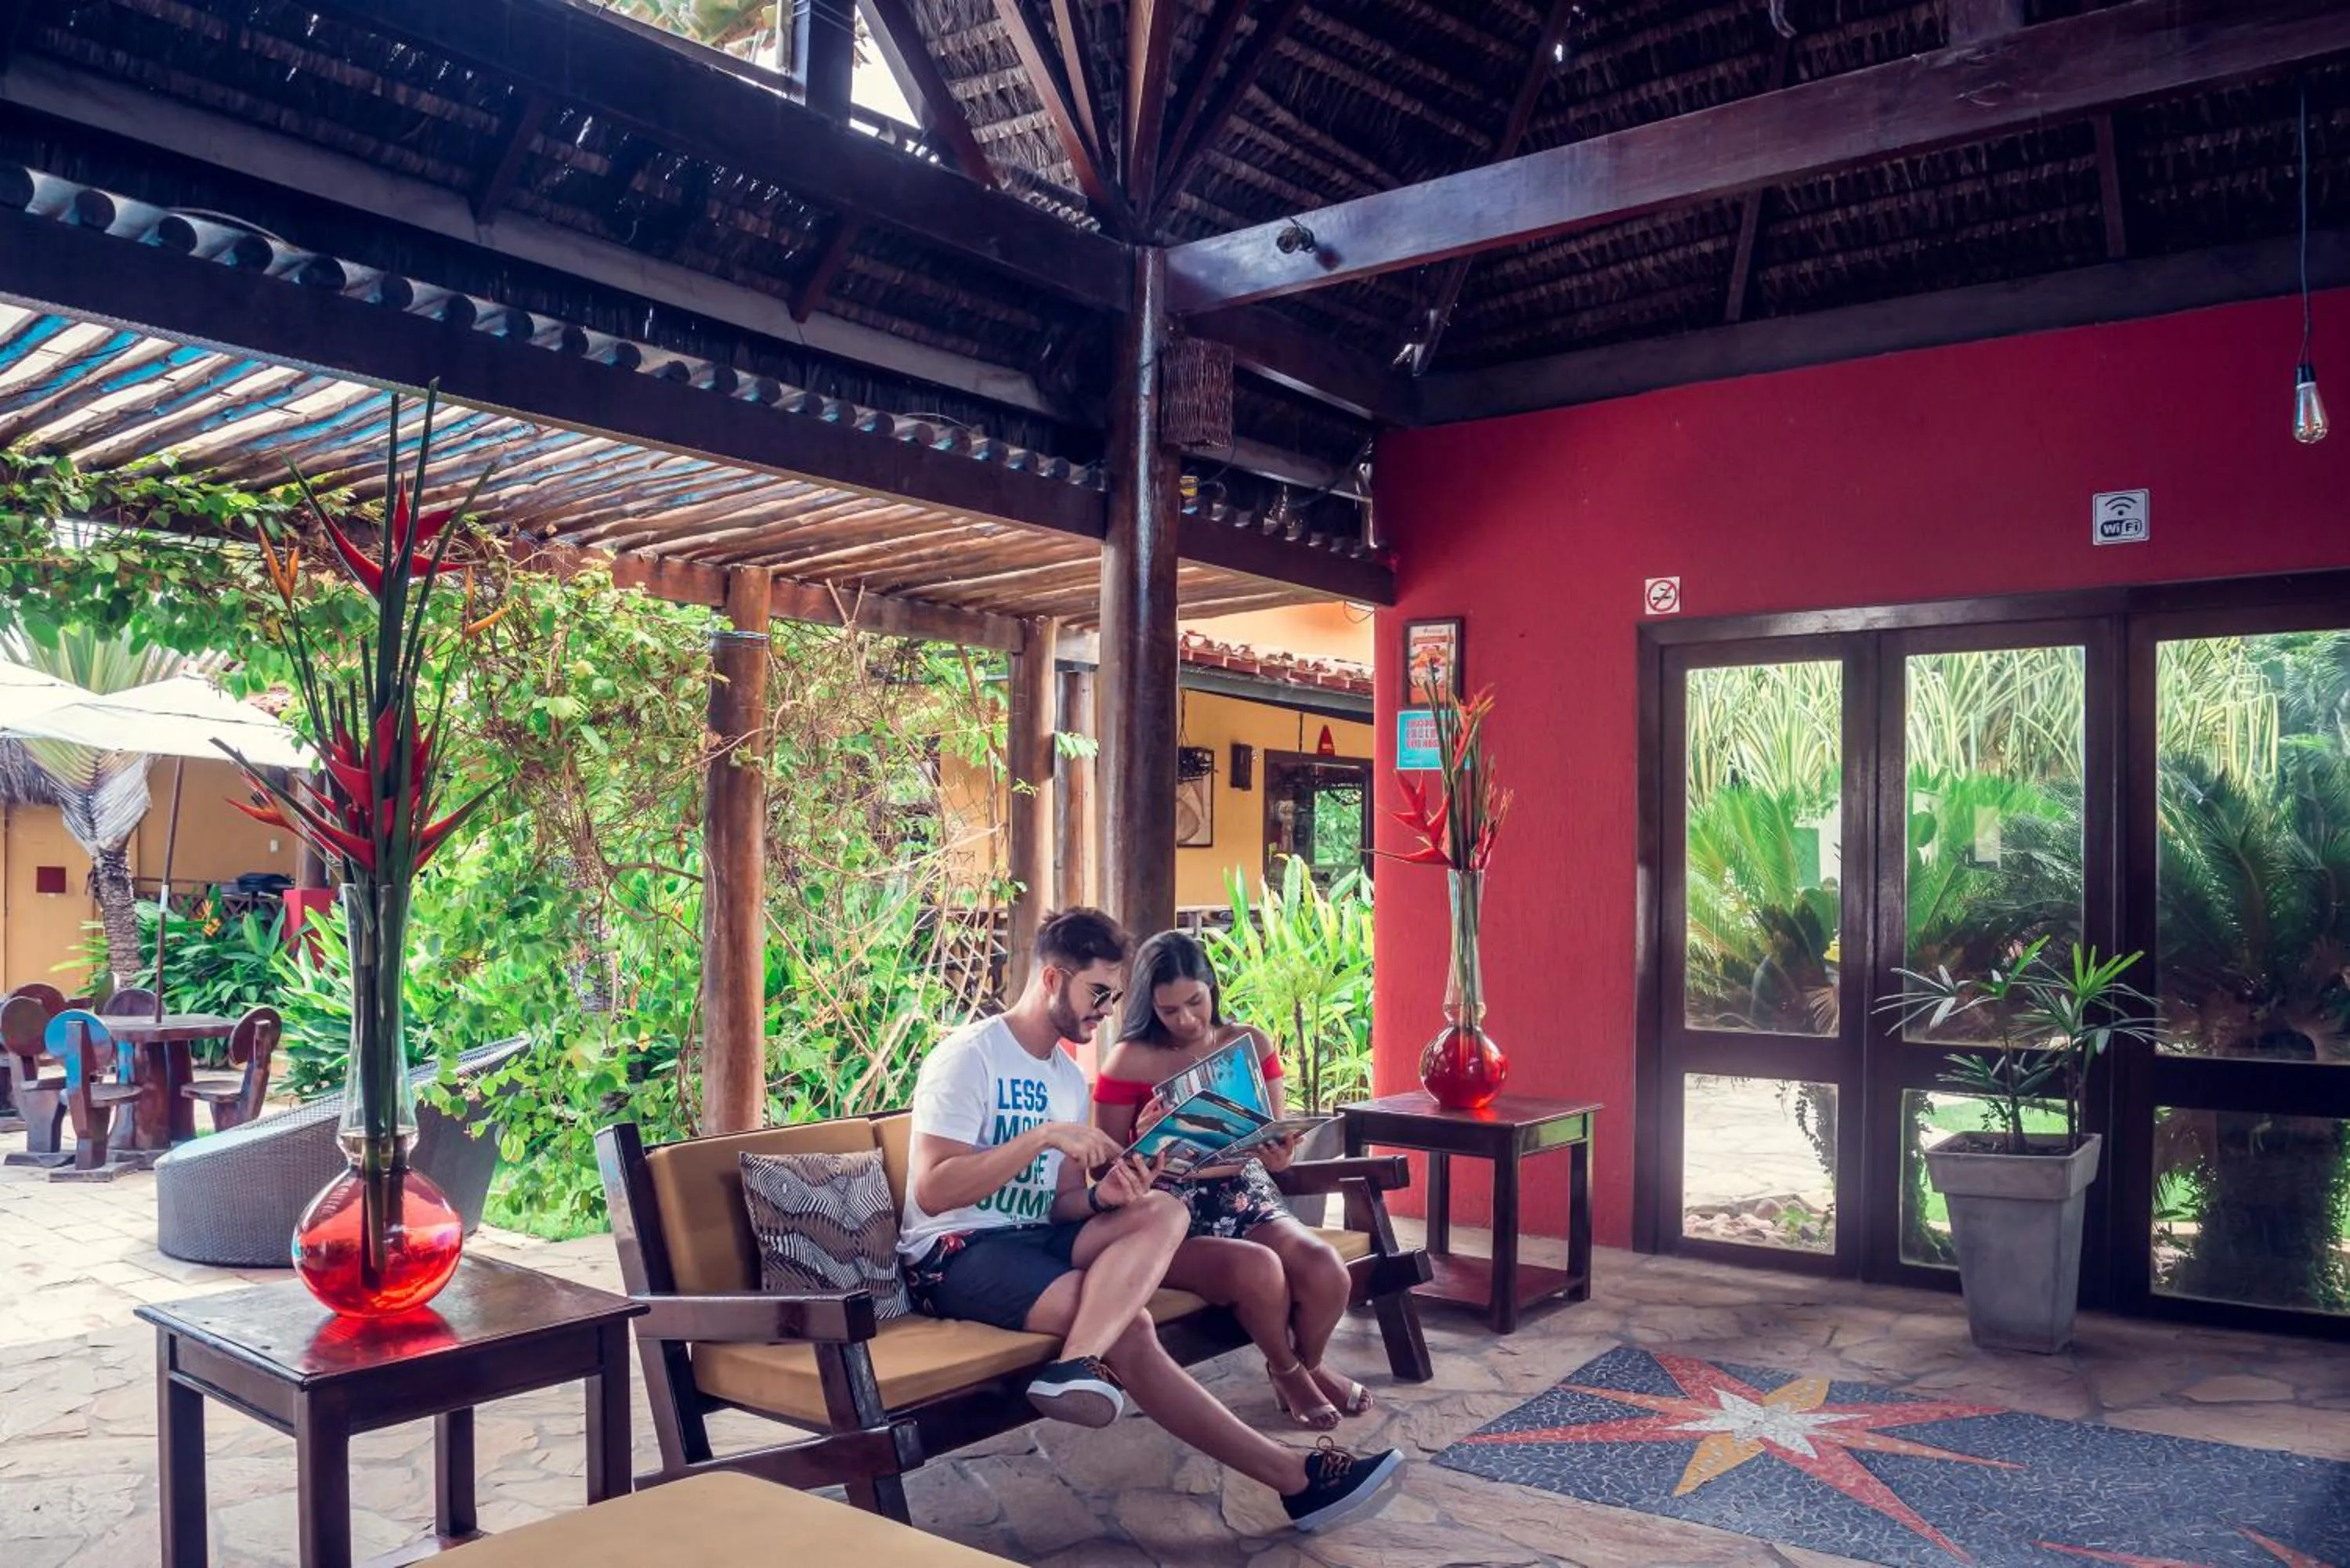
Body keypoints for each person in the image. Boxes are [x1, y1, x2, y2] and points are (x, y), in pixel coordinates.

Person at [896, 906, 1404, 1534]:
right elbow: (934, 1189)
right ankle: (1297, 1481)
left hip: (1039, 1238)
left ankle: (1072, 1364)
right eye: (1099, 993)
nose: (1107, 1009)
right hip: (957, 1251)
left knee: (1160, 1206)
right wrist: (1044, 1138)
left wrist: (1109, 1195)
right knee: (1129, 1326)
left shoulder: (1061, 1075)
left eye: (1114, 995)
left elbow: (1057, 1206)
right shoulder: (968, 1058)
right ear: (1054, 979)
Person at [1094, 930, 1368, 1433]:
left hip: (1244, 1194)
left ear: (1212, 989)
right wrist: (1143, 1135)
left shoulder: (1250, 1042)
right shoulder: (1129, 1060)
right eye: (1169, 1010)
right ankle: (1292, 1373)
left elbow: (1275, 1148)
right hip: (1168, 1214)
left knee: (1327, 1271)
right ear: (1147, 1006)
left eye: (1195, 1002)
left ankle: (1309, 1364)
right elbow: (1103, 1166)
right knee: (1261, 1270)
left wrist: (1281, 1155)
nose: (1187, 1020)